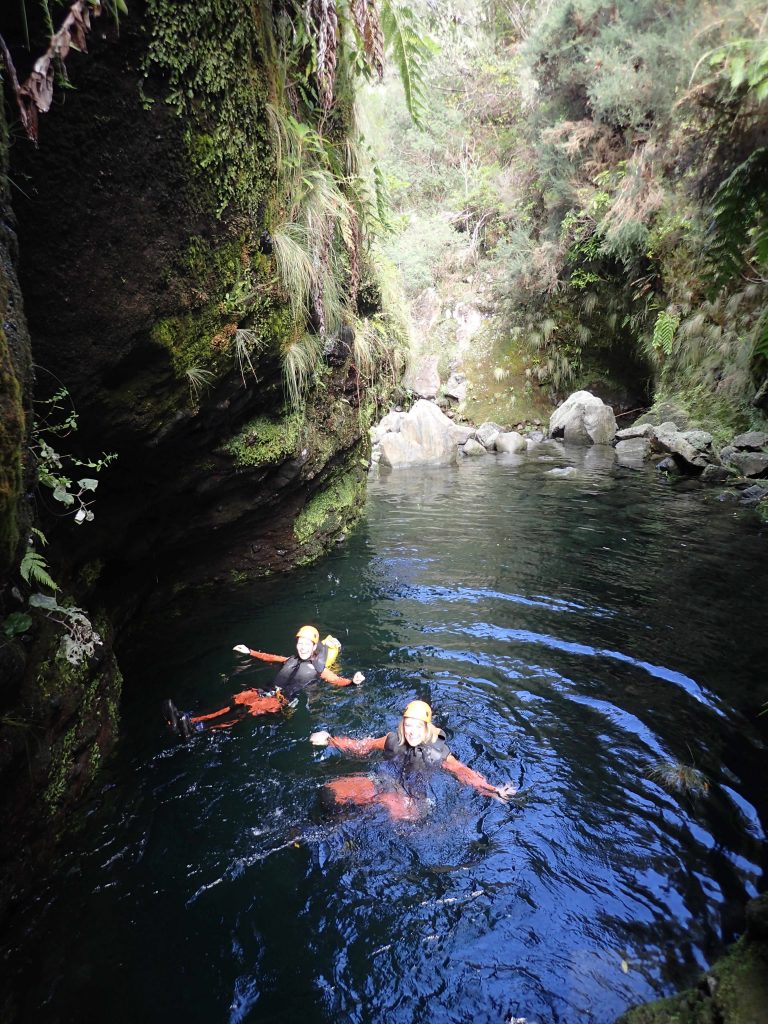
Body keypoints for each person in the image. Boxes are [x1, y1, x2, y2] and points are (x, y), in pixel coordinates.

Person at [310, 699, 516, 821]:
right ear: (402, 725)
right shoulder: (392, 740)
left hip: (412, 799)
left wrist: (490, 789)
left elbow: (461, 771)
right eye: (408, 726)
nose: (412, 732)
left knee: (387, 816)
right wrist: (331, 741)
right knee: (330, 792)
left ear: (427, 728)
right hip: (382, 782)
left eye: (418, 727)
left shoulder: (436, 752)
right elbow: (363, 746)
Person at [164, 626, 365, 741]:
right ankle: (188, 717)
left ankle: (198, 728)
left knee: (245, 708)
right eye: (300, 643)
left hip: (279, 701)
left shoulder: (319, 669)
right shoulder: (291, 659)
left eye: (306, 644)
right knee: (236, 698)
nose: (302, 647)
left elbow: (337, 681)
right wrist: (249, 651)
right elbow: (271, 657)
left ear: (314, 647)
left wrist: (353, 682)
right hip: (265, 691)